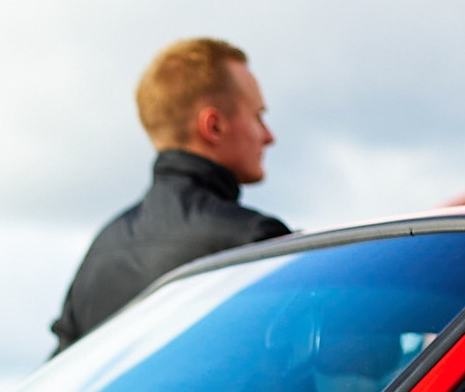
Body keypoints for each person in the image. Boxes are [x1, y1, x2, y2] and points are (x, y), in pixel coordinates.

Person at [50, 37, 288, 352]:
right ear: (214, 126)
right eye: (258, 116)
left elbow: (61, 378)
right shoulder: (255, 241)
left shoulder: (101, 251)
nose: (269, 136)